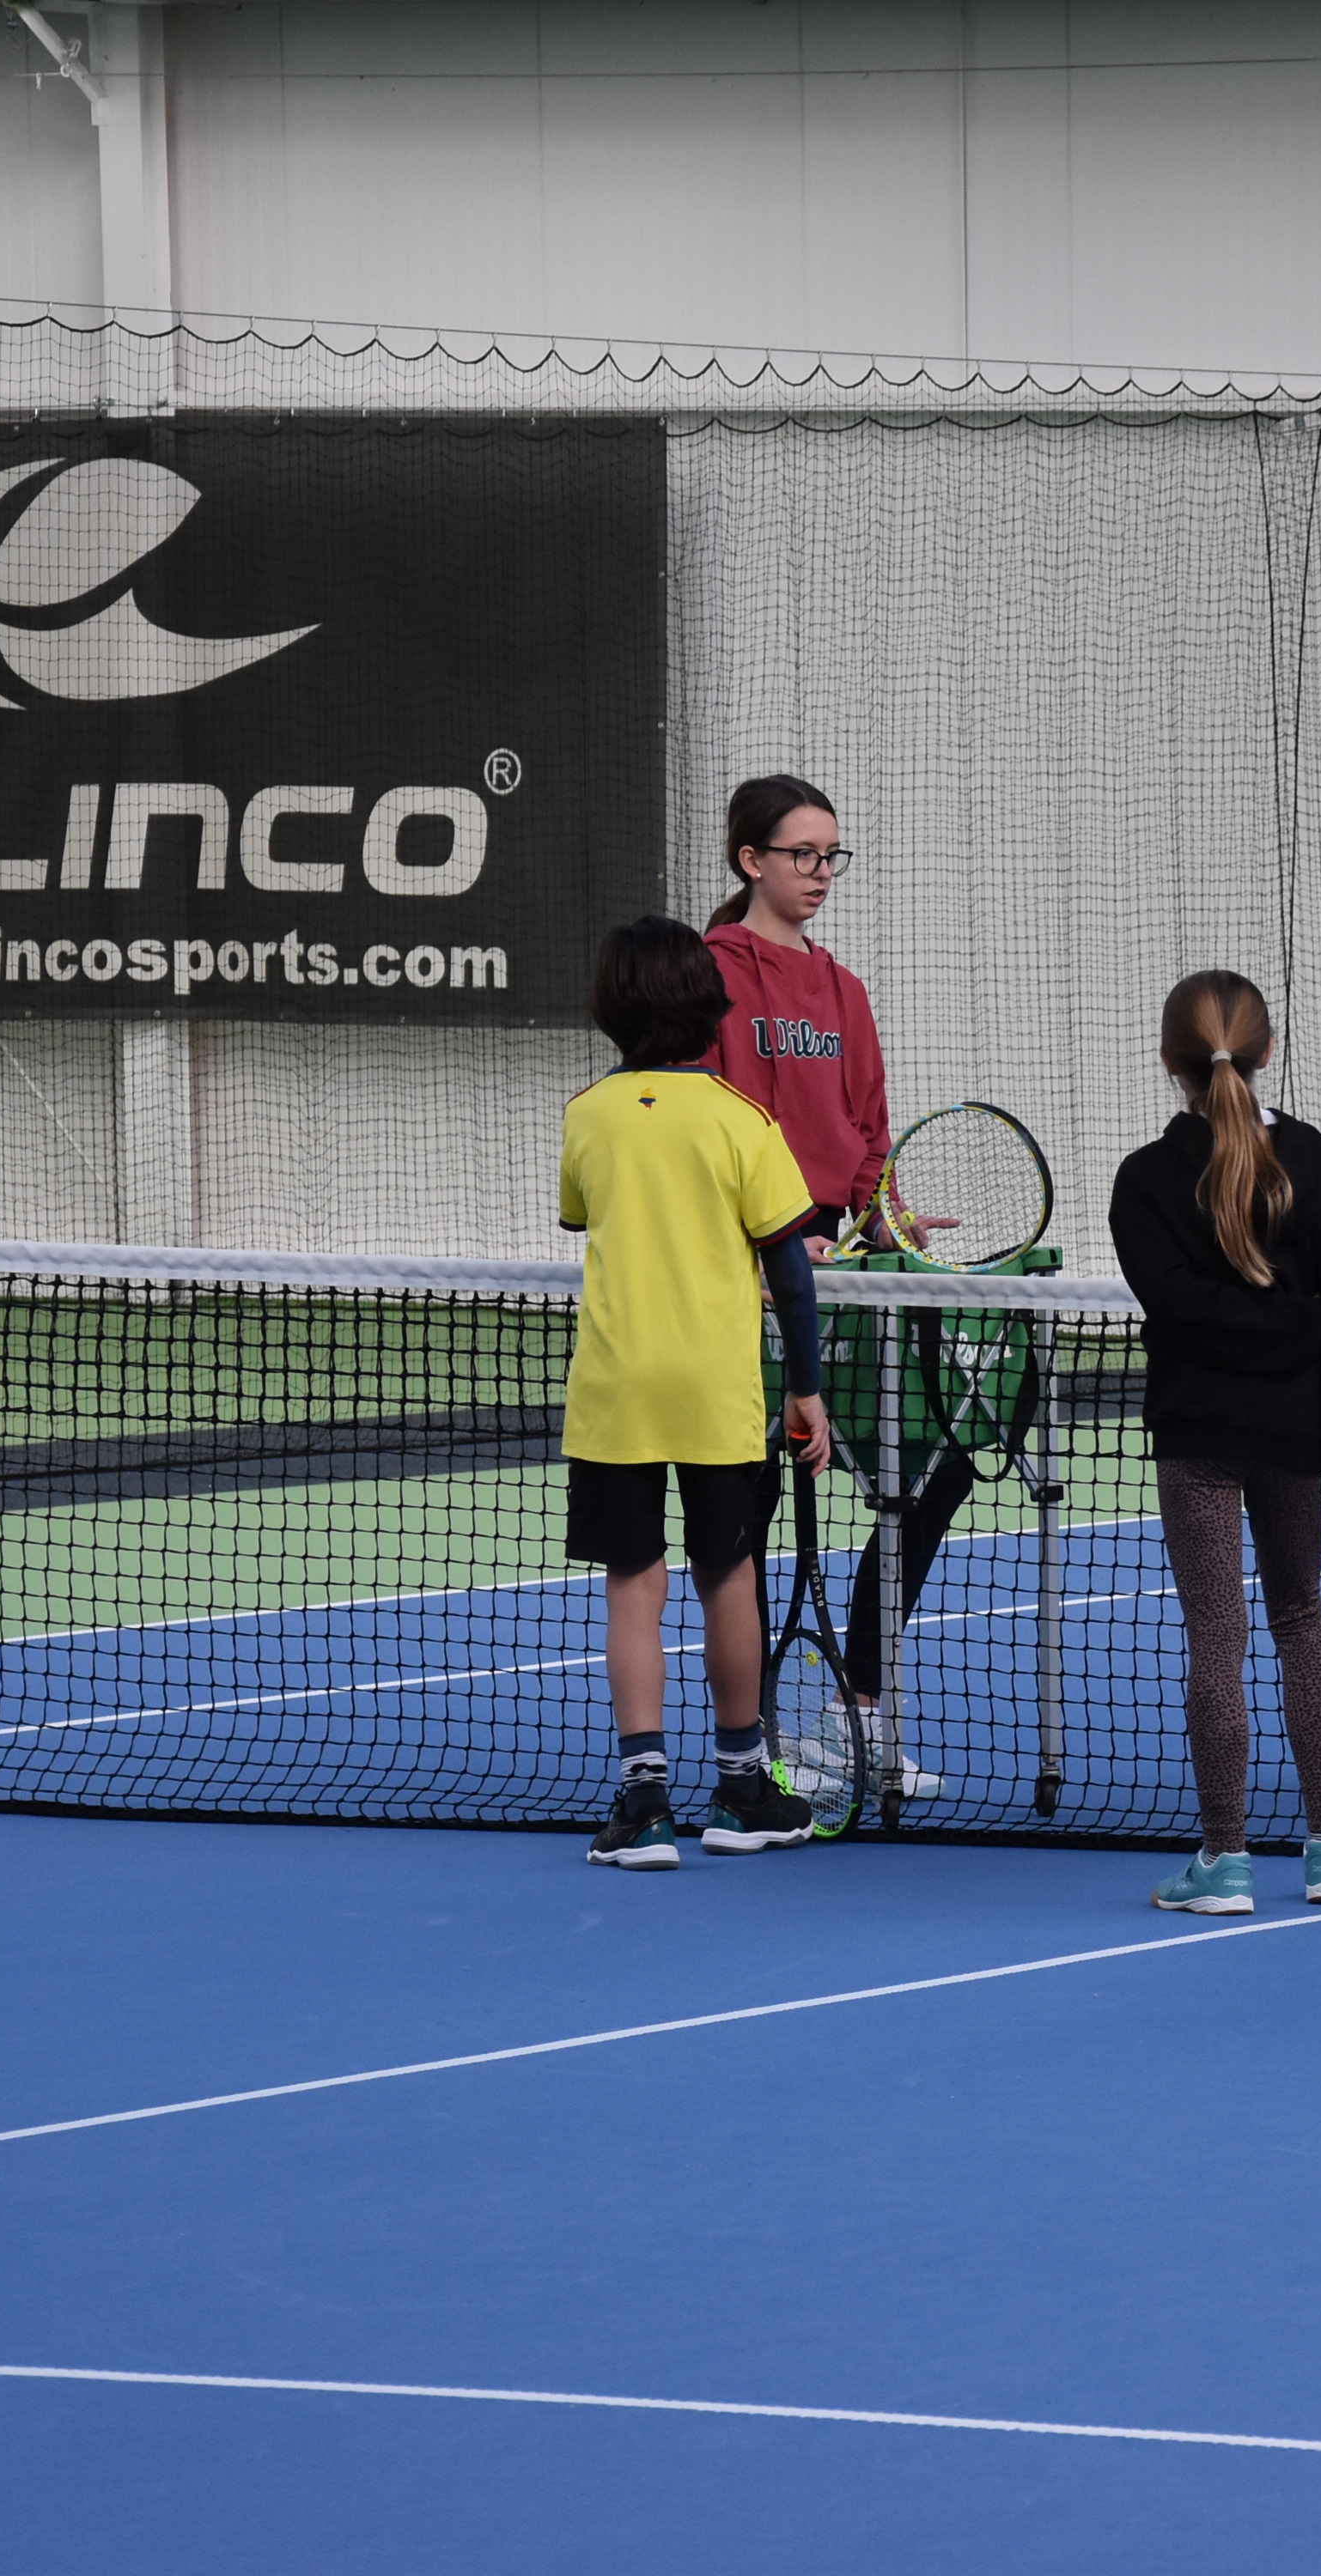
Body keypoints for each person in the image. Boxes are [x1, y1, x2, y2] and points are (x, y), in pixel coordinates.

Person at [1110, 969, 1321, 1913]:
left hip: (1197, 1435)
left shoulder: (1144, 1179)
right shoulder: (1309, 1160)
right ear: (1268, 1050)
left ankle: (1224, 1861)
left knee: (1215, 1637)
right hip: (1291, 1433)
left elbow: (1184, 1309)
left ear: (1170, 1061)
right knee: (1300, 1620)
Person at [564, 914, 838, 1871]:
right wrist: (805, 1392)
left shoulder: (587, 1115)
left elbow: (583, 1213)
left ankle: (645, 1805)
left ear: (610, 1009)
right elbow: (791, 1276)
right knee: (728, 1576)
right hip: (716, 1391)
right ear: (711, 1010)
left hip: (615, 1391)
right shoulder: (742, 1120)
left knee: (632, 1587)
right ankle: (742, 1789)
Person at [698, 773, 942, 1795]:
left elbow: (868, 1135)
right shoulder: (710, 973)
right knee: (742, 1511)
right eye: (803, 853)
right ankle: (750, 1745)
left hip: (835, 1283)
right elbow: (706, 1122)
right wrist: (758, 1242)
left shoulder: (844, 991)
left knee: (935, 1465)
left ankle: (856, 1713)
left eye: (831, 854)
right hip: (737, 1283)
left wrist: (885, 1220)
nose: (821, 871)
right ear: (751, 860)